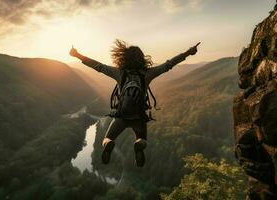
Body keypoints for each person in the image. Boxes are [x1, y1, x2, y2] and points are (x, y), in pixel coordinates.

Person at [70, 40, 200, 167]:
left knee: (108, 138)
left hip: (121, 117)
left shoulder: (119, 73)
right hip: (139, 117)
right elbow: (169, 64)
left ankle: (109, 144)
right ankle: (139, 144)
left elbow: (98, 66)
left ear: (123, 58)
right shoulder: (147, 74)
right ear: (142, 58)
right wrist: (188, 53)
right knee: (142, 138)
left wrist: (77, 55)